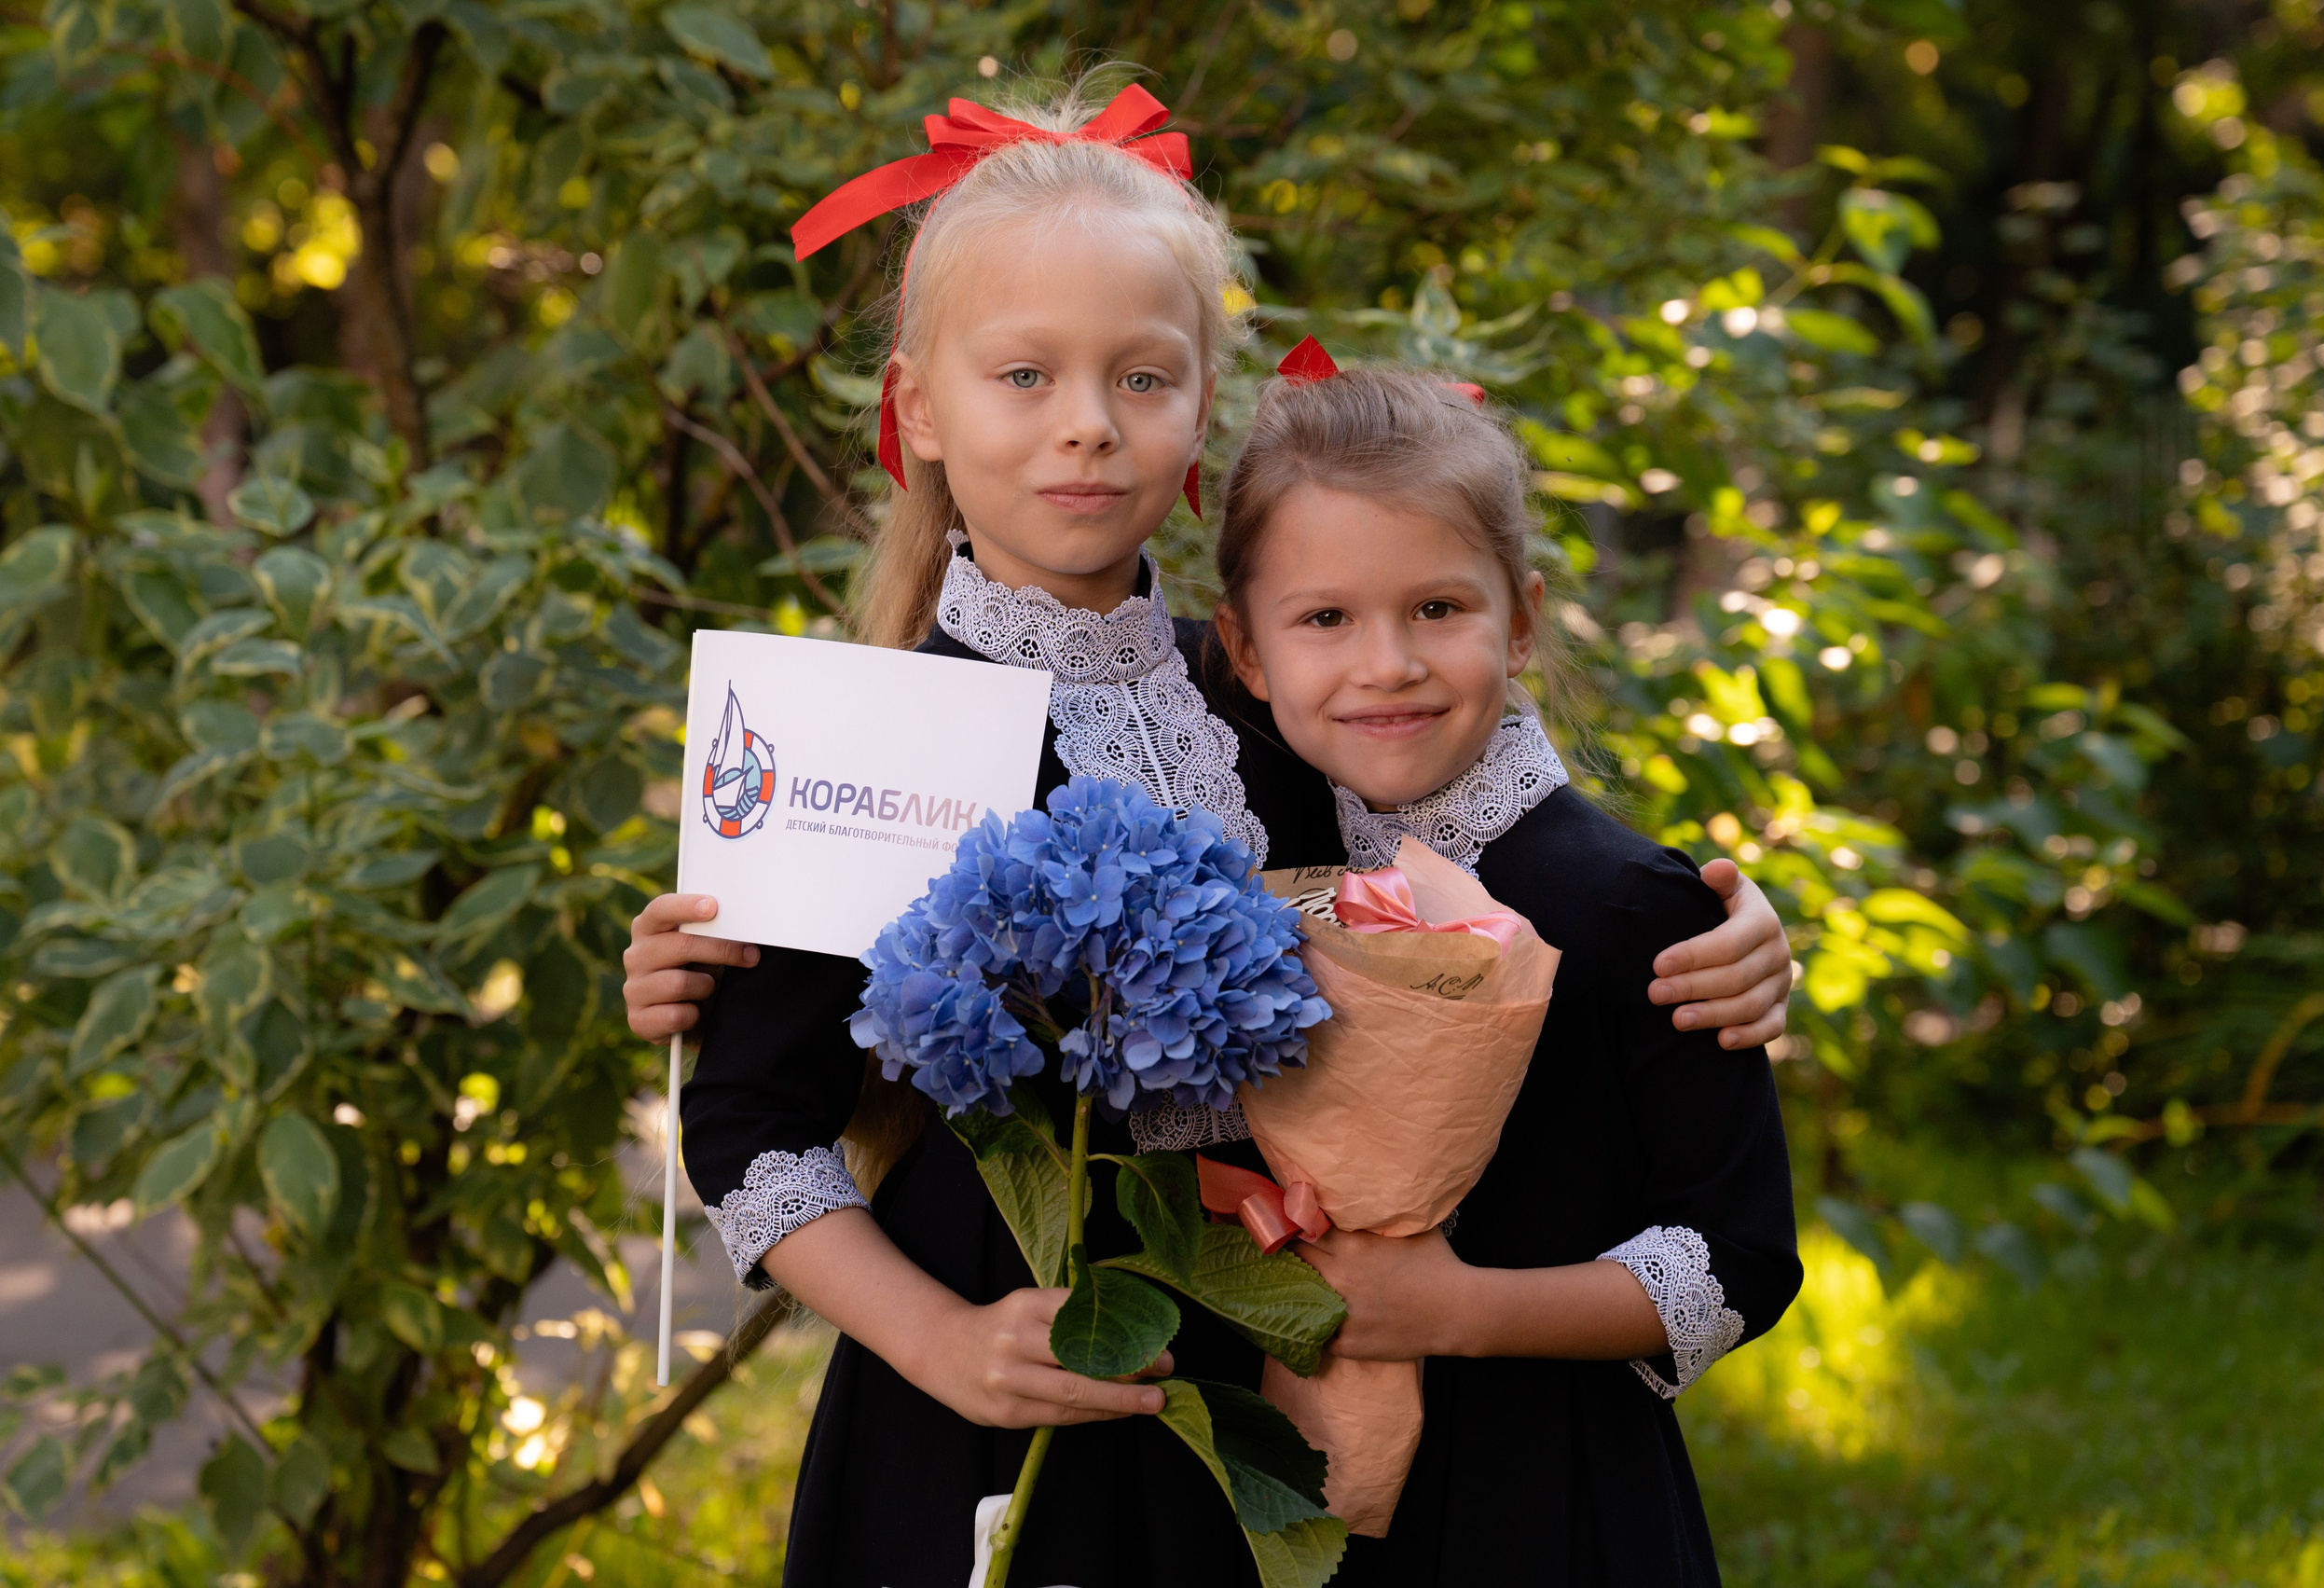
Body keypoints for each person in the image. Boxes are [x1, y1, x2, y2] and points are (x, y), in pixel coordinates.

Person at [629, 84, 1795, 1588]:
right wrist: (945, 1345)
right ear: (919, 408)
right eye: (1026, 375)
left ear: (1201, 408)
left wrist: (1739, 930)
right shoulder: (856, 735)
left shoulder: (1266, 690)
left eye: (1141, 377)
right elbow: (749, 1129)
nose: (1086, 425)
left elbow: (1495, 871)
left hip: (1270, 1422)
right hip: (994, 1407)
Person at [1206, 356, 1802, 1585]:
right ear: (1246, 649)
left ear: (1520, 620)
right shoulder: (1261, 875)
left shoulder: (1634, 907)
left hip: (1554, 1505)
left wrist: (1458, 1312)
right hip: (1318, 1499)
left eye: (1437, 610)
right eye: (1325, 618)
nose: (1388, 665)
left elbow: (1738, 1256)